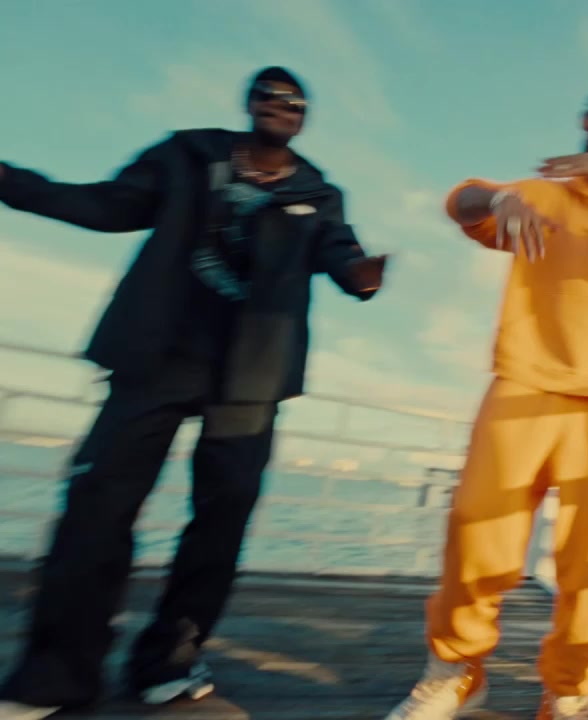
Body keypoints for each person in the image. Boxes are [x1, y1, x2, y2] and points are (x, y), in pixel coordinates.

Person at [0, 66, 388, 720]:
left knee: (220, 522)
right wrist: (11, 182)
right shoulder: (186, 155)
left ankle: (170, 660)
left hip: (250, 380)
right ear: (250, 103)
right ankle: (56, 674)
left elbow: (340, 253)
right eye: (269, 94)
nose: (281, 105)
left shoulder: (320, 194)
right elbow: (108, 205)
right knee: (98, 506)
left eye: (294, 101)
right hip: (156, 356)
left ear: (303, 119)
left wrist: (361, 274)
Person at [382, 85, 588, 720]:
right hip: (524, 382)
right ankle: (456, 671)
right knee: (476, 529)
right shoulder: (543, 194)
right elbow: (460, 201)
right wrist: (499, 199)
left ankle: (569, 692)